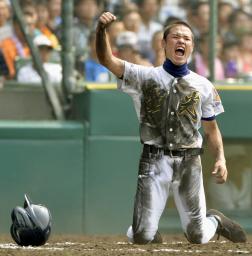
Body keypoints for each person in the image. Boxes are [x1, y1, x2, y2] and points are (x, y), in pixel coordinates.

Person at [95, 12, 247, 244]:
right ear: (164, 44)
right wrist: (102, 30)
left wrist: (221, 159)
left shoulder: (203, 85)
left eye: (186, 38)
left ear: (192, 47)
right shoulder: (145, 76)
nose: (181, 41)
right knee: (142, 236)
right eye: (175, 37)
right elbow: (107, 60)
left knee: (197, 235)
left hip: (189, 163)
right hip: (154, 161)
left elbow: (211, 129)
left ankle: (214, 220)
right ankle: (145, 227)